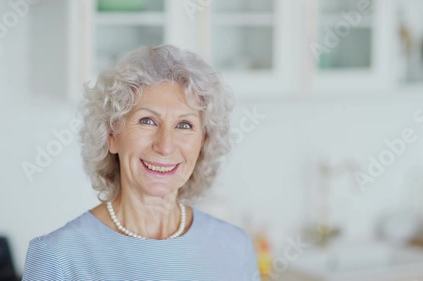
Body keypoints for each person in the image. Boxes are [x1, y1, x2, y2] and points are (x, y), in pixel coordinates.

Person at [22, 45, 261, 280]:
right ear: (112, 136)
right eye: (147, 121)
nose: (165, 145)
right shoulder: (57, 257)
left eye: (184, 125)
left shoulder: (234, 247)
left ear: (202, 144)